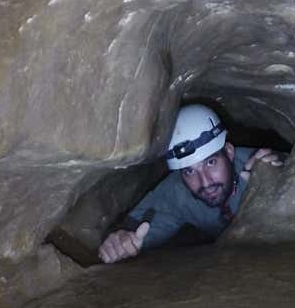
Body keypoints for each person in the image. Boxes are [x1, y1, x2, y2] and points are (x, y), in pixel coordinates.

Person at [98, 104, 282, 263]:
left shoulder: (260, 167)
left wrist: (282, 179)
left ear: (229, 151)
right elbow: (134, 231)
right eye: (189, 171)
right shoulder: (177, 193)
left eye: (211, 162)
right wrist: (121, 242)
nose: (205, 182)